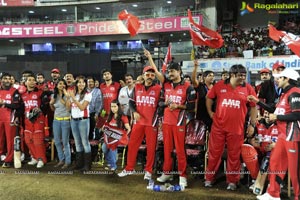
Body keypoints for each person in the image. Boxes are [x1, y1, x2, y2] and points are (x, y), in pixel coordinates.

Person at [204, 64, 257, 190]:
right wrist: (210, 112)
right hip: (218, 127)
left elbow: (254, 107)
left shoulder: (248, 88)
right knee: (214, 154)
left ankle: (232, 181)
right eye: (241, 75)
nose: (243, 78)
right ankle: (209, 178)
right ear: (232, 75)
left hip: (237, 129)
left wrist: (252, 125)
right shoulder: (219, 85)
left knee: (234, 155)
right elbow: (209, 98)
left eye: (244, 75)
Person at [257, 68, 300, 200]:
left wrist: (277, 117)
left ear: (287, 79)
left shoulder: (295, 93)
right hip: (283, 136)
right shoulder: (284, 94)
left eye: (280, 78)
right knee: (275, 163)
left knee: (295, 171)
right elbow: (275, 110)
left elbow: (297, 114)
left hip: (293, 135)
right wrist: (257, 101)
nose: (277, 80)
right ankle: (273, 194)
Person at [118, 66, 161, 180]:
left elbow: (161, 105)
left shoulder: (158, 88)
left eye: (152, 75)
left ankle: (148, 171)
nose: (150, 77)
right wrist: (134, 112)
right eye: (147, 74)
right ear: (143, 75)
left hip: (152, 123)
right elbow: (131, 103)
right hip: (139, 122)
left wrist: (159, 117)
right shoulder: (137, 87)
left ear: (154, 76)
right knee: (132, 145)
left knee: (151, 148)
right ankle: (129, 168)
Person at [22, 74, 50, 168]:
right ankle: (34, 157)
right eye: (29, 80)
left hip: (38, 119)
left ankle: (41, 159)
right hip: (27, 120)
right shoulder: (23, 94)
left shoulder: (40, 93)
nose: (32, 82)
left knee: (38, 140)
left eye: (33, 80)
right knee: (28, 140)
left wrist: (40, 109)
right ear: (25, 82)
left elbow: (46, 104)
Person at [66, 76, 92, 171]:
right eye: (79, 82)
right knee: (77, 142)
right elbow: (68, 108)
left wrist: (73, 98)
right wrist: (69, 98)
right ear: (76, 84)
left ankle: (87, 165)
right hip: (74, 120)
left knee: (85, 142)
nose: (81, 84)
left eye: (83, 82)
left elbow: (82, 107)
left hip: (83, 120)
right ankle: (79, 164)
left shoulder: (88, 94)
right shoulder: (74, 94)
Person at [0, 73, 23, 168]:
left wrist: (4, 103)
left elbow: (17, 105)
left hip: (10, 118)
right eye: (5, 78)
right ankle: (1, 155)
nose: (7, 80)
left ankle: (9, 160)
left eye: (9, 79)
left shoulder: (15, 91)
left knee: (10, 140)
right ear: (1, 80)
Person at [102, 100, 130, 171]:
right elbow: (104, 126)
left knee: (112, 147)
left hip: (118, 138)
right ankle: (110, 162)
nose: (113, 108)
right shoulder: (110, 116)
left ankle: (113, 166)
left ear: (118, 107)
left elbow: (128, 128)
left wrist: (123, 136)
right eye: (112, 107)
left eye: (115, 106)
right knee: (104, 148)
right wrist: (103, 128)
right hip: (109, 137)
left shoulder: (123, 117)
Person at [49, 78, 71, 169]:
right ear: (57, 85)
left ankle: (68, 161)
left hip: (65, 120)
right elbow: (53, 109)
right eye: (59, 84)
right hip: (56, 120)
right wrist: (51, 104)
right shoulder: (54, 95)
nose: (61, 85)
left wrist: (65, 98)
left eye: (63, 84)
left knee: (65, 142)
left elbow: (69, 108)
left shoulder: (68, 95)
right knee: (57, 141)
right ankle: (61, 160)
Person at [192, 59, 215, 130]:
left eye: (213, 76)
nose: (212, 77)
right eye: (209, 75)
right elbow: (193, 80)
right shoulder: (200, 86)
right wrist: (196, 67)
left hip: (213, 115)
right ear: (204, 77)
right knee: (201, 137)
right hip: (202, 115)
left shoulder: (216, 87)